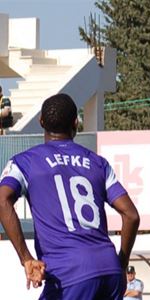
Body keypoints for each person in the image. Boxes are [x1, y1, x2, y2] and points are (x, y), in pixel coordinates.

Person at [0, 93, 140, 299]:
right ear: (76, 122)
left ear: (41, 122)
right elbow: (131, 215)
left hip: (68, 274)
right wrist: (121, 262)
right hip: (109, 270)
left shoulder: (25, 162)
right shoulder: (98, 163)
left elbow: (2, 200)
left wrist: (26, 258)